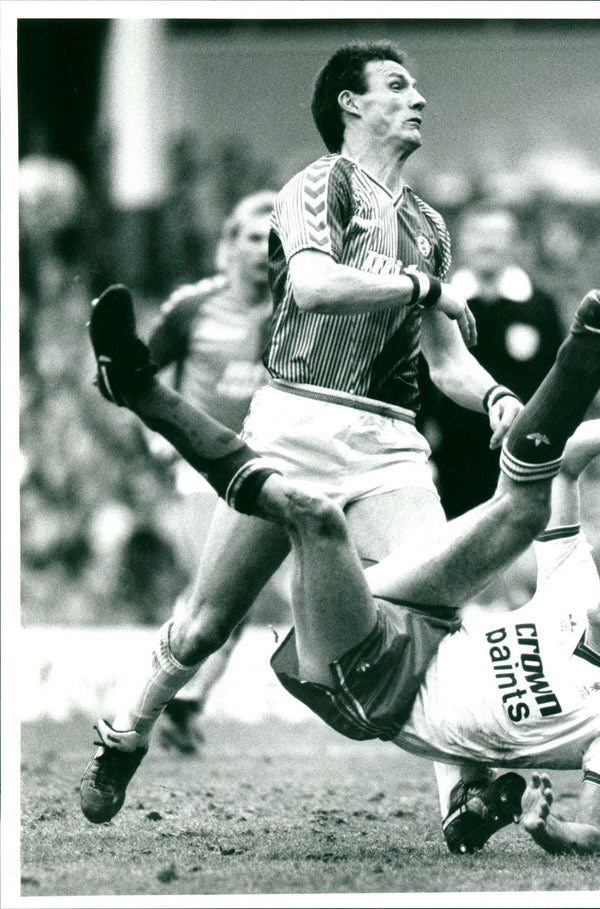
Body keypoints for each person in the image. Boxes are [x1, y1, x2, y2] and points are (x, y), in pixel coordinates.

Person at [81, 279, 600, 860]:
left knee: (315, 518)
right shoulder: (577, 594)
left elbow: (590, 831)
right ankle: (594, 339)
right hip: (422, 612)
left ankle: (144, 394)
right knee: (520, 508)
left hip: (378, 679)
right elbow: (565, 463)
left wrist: (543, 825)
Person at [79, 42, 525, 799]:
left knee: (436, 614)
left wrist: (494, 398)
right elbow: (315, 285)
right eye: (397, 85)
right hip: (293, 430)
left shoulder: (430, 225)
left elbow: (446, 359)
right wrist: (422, 287)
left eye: (415, 83)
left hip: (389, 444)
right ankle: (125, 732)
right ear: (351, 105)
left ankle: (462, 797)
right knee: (203, 625)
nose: (419, 97)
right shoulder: (318, 185)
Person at [142, 189, 290, 753]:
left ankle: (180, 701)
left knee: (233, 597)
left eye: (272, 239)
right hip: (203, 468)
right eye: (251, 237)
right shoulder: (192, 308)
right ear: (227, 245)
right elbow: (137, 379)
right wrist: (157, 437)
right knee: (220, 591)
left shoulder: (300, 308)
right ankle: (166, 699)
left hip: (274, 465)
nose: (261, 250)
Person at [420, 202, 565, 518]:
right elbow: (418, 379)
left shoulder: (540, 306)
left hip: (519, 454)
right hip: (451, 457)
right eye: (478, 233)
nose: (487, 243)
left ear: (515, 242)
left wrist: (552, 445)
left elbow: (558, 383)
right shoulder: (439, 303)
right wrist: (421, 454)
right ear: (460, 241)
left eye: (497, 234)